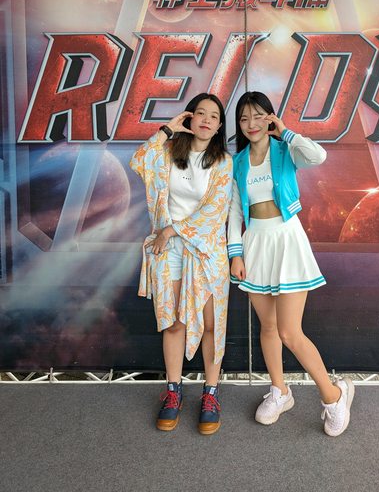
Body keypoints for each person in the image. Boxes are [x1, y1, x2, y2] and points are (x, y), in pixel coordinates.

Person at [228, 91, 354, 436]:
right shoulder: (237, 162)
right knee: (268, 328)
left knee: (289, 332)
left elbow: (318, 155)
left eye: (258, 116)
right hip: (255, 243)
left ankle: (334, 396)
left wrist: (286, 132)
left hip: (287, 239)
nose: (251, 124)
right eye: (244, 118)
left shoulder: (285, 149)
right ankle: (280, 392)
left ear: (270, 117)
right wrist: (235, 253)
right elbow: (234, 211)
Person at [130, 93, 233, 435]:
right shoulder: (168, 152)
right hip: (169, 250)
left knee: (211, 324)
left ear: (219, 126)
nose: (206, 119)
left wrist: (172, 230)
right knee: (173, 322)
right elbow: (138, 161)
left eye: (213, 116)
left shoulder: (223, 162)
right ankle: (173, 391)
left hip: (205, 251)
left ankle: (210, 393)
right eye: (200, 113)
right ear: (190, 118)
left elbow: (215, 211)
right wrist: (166, 131)